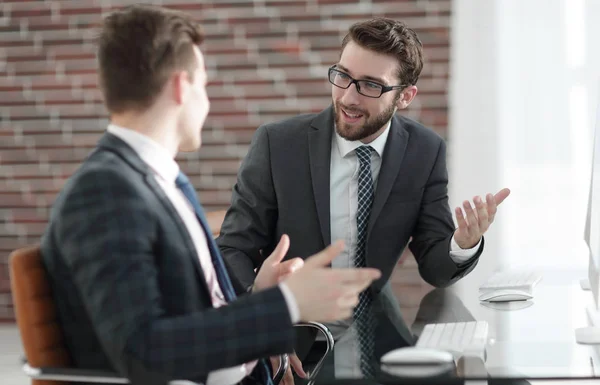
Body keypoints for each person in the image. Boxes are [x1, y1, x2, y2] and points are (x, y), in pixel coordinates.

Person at [39, 5, 382, 385]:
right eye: (204, 84)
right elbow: (142, 351)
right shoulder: (104, 194)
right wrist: (285, 306)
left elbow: (189, 314)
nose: (207, 101)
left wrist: (262, 296)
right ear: (181, 86)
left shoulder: (155, 182)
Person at [216, 17, 511, 381]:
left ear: (405, 96)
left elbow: (434, 265)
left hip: (380, 330)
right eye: (343, 76)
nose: (349, 97)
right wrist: (261, 315)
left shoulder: (424, 150)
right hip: (293, 335)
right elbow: (232, 250)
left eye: (371, 85)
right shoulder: (278, 145)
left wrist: (462, 244)